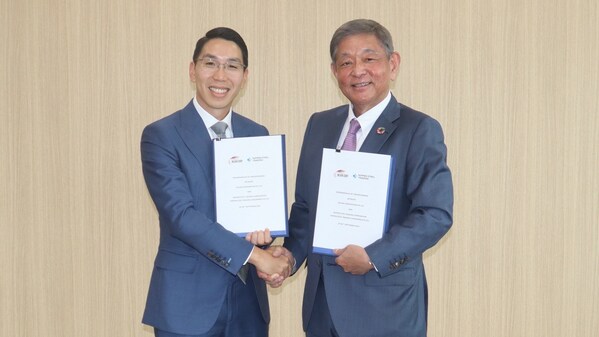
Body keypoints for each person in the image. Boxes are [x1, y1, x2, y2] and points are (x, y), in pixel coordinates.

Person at [281, 19, 454, 337]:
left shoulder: (419, 129)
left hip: (385, 308)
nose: (357, 70)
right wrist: (289, 255)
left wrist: (374, 256)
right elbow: (306, 208)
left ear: (393, 63)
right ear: (335, 72)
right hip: (322, 308)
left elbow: (435, 214)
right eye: (346, 62)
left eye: (369, 58)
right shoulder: (319, 125)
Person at [140, 27, 292, 337]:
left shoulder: (257, 134)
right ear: (192, 70)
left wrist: (267, 246)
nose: (220, 75)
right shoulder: (162, 135)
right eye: (211, 63)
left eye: (232, 65)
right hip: (186, 305)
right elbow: (181, 216)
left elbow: (257, 214)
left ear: (244, 75)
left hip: (248, 304)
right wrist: (257, 256)